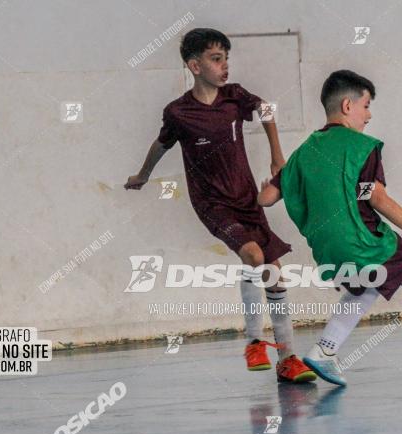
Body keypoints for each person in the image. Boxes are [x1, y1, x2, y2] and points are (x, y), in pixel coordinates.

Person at [124, 28, 315, 383]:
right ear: (195, 66)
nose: (224, 65)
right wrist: (142, 175)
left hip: (245, 198)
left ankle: (288, 359)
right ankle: (254, 342)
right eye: (216, 59)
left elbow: (267, 110)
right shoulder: (179, 112)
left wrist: (277, 156)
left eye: (226, 58)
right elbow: (160, 145)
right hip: (212, 202)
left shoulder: (235, 97)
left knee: (273, 271)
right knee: (255, 256)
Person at [258, 70, 402, 386]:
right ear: (347, 105)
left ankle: (325, 350)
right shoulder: (361, 147)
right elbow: (377, 197)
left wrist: (267, 185)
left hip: (327, 249)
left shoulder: (302, 152)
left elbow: (268, 197)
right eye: (366, 105)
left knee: (368, 283)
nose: (369, 114)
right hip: (361, 239)